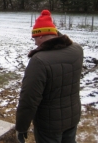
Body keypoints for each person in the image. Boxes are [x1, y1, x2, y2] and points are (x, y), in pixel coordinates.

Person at [15, 10, 83, 143]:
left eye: (34, 38)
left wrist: (22, 127)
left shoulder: (39, 61)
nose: (35, 43)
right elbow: (68, 42)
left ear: (41, 36)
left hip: (49, 125)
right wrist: (54, 33)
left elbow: (29, 99)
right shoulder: (77, 51)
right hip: (72, 117)